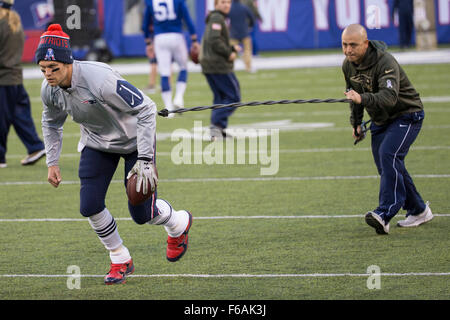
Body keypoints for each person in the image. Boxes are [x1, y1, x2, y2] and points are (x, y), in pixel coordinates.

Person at [36, 24, 192, 285]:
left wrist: (144, 159)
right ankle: (120, 258)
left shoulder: (100, 78)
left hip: (134, 141)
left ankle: (178, 223)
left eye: (54, 68)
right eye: (43, 69)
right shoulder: (49, 89)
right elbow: (52, 123)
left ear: (68, 62)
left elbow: (146, 109)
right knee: (89, 205)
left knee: (143, 214)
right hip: (97, 143)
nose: (48, 75)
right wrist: (52, 162)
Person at [341, 24, 433, 235]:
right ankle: (419, 210)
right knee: (389, 166)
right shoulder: (348, 65)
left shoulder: (385, 61)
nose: (348, 50)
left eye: (353, 45)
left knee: (388, 155)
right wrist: (356, 123)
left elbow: (389, 98)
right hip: (380, 122)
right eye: (344, 45)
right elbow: (353, 96)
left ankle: (384, 213)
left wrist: (361, 98)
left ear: (365, 44)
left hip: (407, 115)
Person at [0, 0, 45, 168]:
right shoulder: (14, 21)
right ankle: (35, 147)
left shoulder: (1, 24)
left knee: (2, 119)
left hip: (3, 79)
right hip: (16, 78)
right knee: (20, 116)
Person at [142, 0, 200, 118]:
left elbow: (145, 24)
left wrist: (148, 42)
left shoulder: (150, 2)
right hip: (176, 36)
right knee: (183, 68)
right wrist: (194, 39)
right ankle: (179, 97)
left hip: (160, 38)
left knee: (164, 73)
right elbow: (187, 19)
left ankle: (168, 107)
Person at [200, 0, 241, 141]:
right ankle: (215, 126)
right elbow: (214, 40)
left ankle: (218, 130)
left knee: (220, 98)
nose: (226, 5)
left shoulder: (216, 17)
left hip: (210, 64)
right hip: (217, 65)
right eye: (223, 2)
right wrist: (229, 52)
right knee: (234, 97)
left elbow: (214, 40)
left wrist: (232, 48)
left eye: (228, 2)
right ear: (216, 4)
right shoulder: (217, 17)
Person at [229, 0, 255, 73]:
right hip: (244, 32)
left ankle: (230, 68)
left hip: (233, 33)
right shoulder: (244, 7)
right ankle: (248, 68)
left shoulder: (230, 8)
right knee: (247, 51)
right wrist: (250, 26)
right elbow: (252, 17)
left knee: (232, 51)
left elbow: (224, 18)